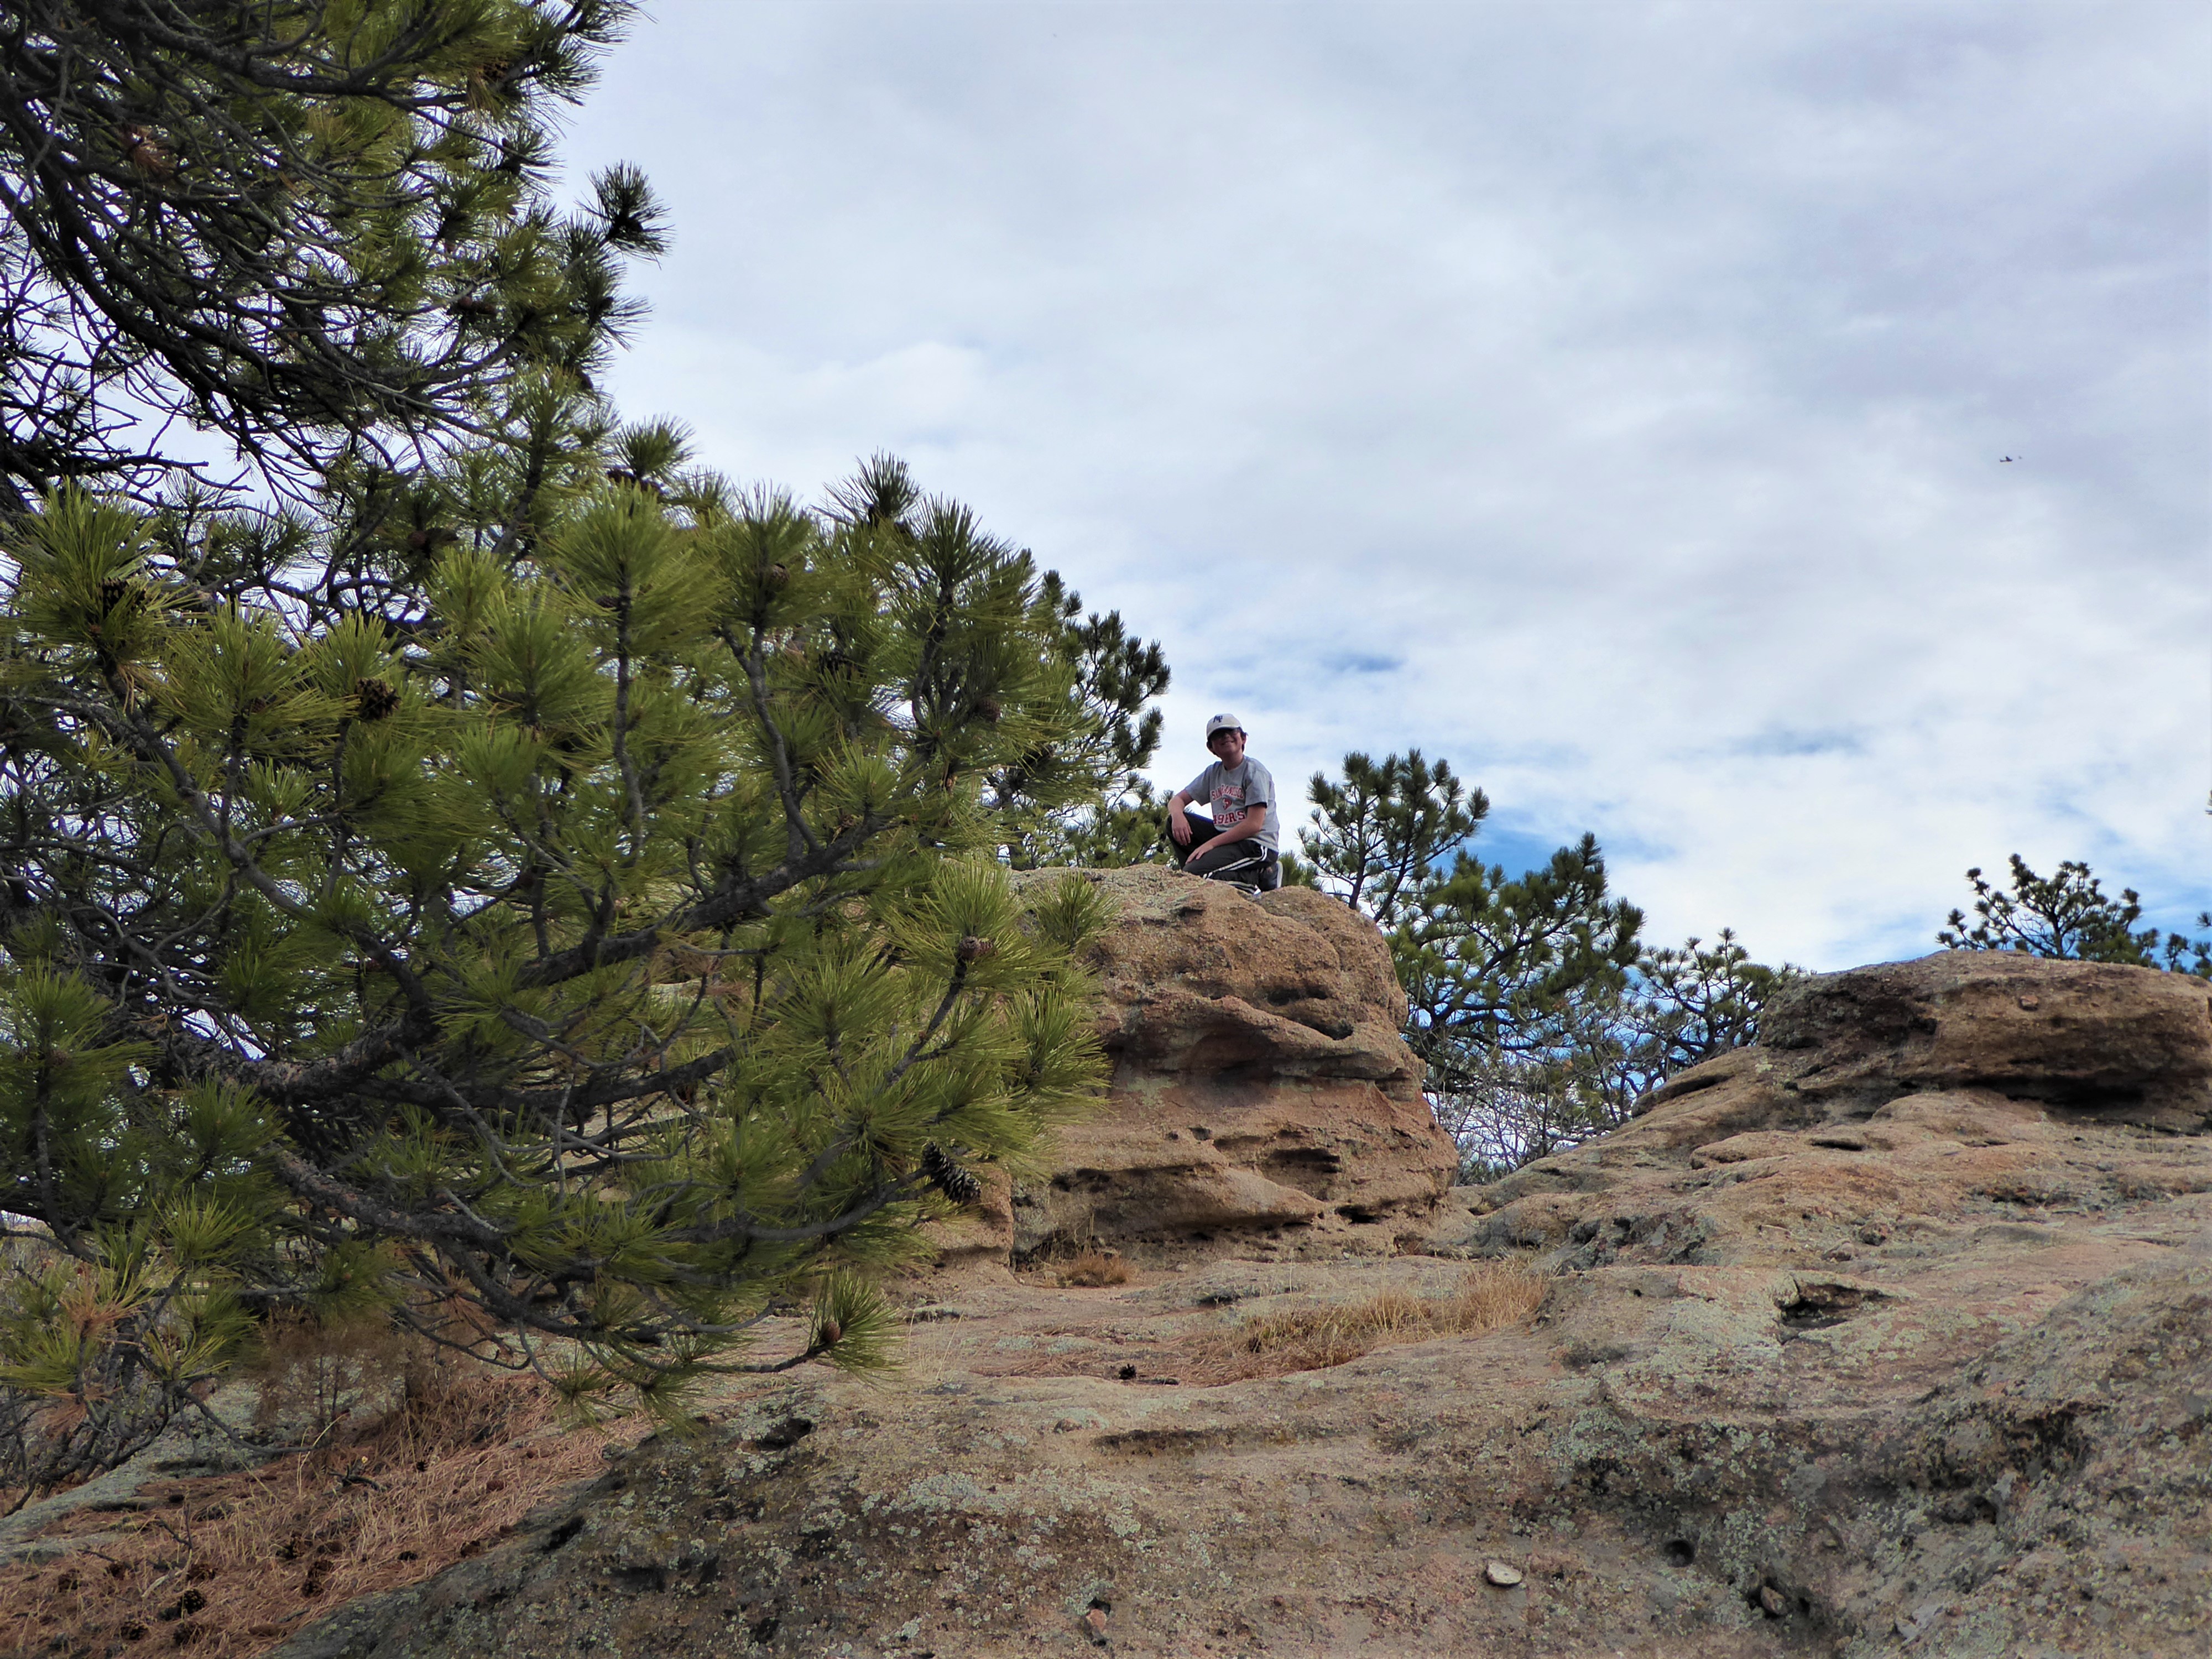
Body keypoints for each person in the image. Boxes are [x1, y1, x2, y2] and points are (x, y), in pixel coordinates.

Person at [1167, 713, 1280, 888]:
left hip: (1256, 844)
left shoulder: (1254, 772)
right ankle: (1195, 874)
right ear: (1211, 748)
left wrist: (1210, 845)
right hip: (1227, 838)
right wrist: (1177, 815)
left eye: (1230, 732)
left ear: (1243, 738)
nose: (1225, 736)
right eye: (1218, 735)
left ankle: (1255, 875)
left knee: (1196, 874)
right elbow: (1177, 801)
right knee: (1172, 823)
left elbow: (1254, 825)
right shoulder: (1214, 773)